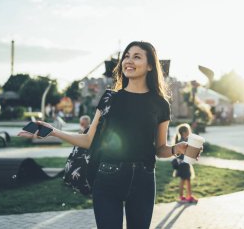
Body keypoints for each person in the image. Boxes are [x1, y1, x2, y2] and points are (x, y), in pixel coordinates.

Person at [18, 41, 192, 229]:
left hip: (144, 179)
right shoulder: (110, 98)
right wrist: (52, 131)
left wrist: (176, 149)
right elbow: (88, 140)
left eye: (137, 56)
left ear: (150, 66)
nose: (129, 61)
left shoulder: (160, 104)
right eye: (126, 56)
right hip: (108, 177)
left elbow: (159, 149)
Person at [172, 123, 198, 203]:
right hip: (183, 164)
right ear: (184, 133)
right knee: (185, 180)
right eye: (188, 131)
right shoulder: (183, 142)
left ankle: (186, 196)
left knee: (185, 180)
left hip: (183, 164)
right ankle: (185, 197)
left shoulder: (182, 141)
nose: (189, 133)